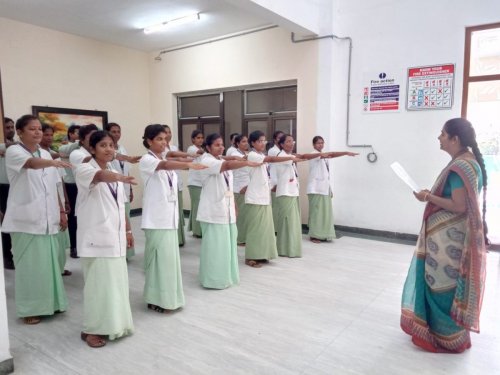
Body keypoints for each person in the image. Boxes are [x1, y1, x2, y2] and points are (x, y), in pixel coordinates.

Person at [401, 118, 488, 353]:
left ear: (454, 139)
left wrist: (428, 197)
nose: (439, 137)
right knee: (445, 281)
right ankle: (451, 334)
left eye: (442, 134)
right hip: (452, 234)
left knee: (442, 283)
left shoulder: (461, 167)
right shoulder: (466, 162)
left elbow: (458, 205)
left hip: (449, 237)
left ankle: (444, 335)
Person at [2, 114, 71, 324]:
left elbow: (55, 186)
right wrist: (54, 162)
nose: (38, 132)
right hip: (26, 220)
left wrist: (60, 210)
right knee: (30, 268)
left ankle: (53, 303)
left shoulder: (45, 153)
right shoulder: (14, 151)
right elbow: (31, 164)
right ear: (20, 132)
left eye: (39, 128)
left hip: (48, 218)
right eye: (32, 129)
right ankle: (30, 309)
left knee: (49, 265)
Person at [75, 130, 136, 348]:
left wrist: (128, 231)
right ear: (92, 149)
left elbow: (120, 206)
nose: (109, 149)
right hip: (96, 238)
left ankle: (116, 325)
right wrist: (120, 177)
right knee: (98, 287)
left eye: (111, 145)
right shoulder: (84, 169)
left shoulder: (112, 168)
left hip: (115, 236)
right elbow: (99, 177)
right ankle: (91, 329)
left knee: (115, 285)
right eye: (103, 145)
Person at [139, 125, 206, 313]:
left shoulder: (163, 158)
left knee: (169, 261)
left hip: (168, 217)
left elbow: (169, 163)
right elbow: (165, 165)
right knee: (159, 260)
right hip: (156, 219)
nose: (163, 142)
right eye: (159, 139)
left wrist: (187, 160)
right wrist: (188, 164)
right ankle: (156, 298)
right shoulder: (147, 159)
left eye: (165, 139)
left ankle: (169, 298)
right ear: (149, 141)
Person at [197, 133, 260, 289]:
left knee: (228, 246)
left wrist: (234, 206)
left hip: (227, 210)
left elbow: (228, 187)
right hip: (213, 212)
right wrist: (246, 162)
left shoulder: (219, 159)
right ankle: (212, 279)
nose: (221, 147)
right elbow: (226, 166)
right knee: (215, 248)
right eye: (217, 145)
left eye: (222, 144)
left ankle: (226, 276)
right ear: (208, 147)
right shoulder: (206, 161)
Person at [244, 130, 298, 268]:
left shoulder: (261, 155)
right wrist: (290, 158)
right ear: (252, 143)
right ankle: (251, 256)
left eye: (264, 140)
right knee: (255, 229)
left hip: (264, 197)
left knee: (265, 229)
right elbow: (271, 159)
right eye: (259, 141)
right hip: (255, 198)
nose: (263, 143)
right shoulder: (252, 155)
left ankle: (262, 254)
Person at [307, 136, 358, 243]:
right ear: (314, 145)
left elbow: (326, 173)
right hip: (315, 189)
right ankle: (314, 235)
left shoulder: (323, 155)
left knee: (325, 214)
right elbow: (332, 154)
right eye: (318, 143)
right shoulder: (314, 154)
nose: (320, 145)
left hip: (324, 188)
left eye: (322, 143)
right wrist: (345, 152)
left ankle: (324, 234)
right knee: (316, 213)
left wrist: (330, 189)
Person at [106, 122, 141, 260]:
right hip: (113, 190)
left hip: (124, 189)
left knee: (126, 221)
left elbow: (126, 169)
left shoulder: (123, 148)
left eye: (118, 131)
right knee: (116, 222)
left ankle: (127, 251)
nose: (116, 134)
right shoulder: (107, 152)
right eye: (113, 131)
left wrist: (130, 189)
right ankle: (118, 251)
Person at [40, 124, 72, 276]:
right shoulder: (38, 157)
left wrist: (65, 200)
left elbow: (60, 180)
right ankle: (52, 270)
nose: (48, 137)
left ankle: (59, 268)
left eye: (50, 135)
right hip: (47, 202)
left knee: (61, 238)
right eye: (45, 134)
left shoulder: (54, 154)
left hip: (58, 198)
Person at [68, 124, 99, 258]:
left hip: (100, 196)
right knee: (84, 229)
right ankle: (77, 248)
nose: (94, 139)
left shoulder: (100, 154)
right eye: (91, 136)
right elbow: (88, 161)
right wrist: (108, 152)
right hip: (84, 194)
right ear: (81, 140)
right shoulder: (77, 153)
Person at [59, 124, 81, 260]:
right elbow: (69, 149)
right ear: (70, 134)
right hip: (71, 185)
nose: (80, 136)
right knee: (73, 218)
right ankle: (74, 247)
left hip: (82, 185)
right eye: (78, 133)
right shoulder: (64, 147)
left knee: (84, 217)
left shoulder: (84, 149)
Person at [226, 134, 250, 245]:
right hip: (238, 188)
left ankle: (243, 237)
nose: (246, 143)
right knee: (240, 216)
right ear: (237, 143)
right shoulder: (235, 154)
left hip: (247, 187)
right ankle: (239, 238)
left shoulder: (247, 154)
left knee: (246, 216)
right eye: (243, 141)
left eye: (247, 141)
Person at [0, 117, 16, 269]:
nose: (11, 130)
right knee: (4, 224)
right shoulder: (7, 147)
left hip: (14, 187)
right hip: (2, 188)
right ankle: (6, 256)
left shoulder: (14, 148)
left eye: (12, 127)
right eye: (7, 127)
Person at [187, 130, 205, 238]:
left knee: (199, 207)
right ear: (193, 139)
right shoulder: (192, 148)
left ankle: (197, 228)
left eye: (202, 138)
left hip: (201, 182)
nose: (200, 140)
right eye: (198, 138)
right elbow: (200, 153)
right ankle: (197, 231)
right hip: (194, 183)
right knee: (197, 207)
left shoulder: (201, 149)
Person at [268, 130, 284, 229]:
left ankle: (278, 228)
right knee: (276, 206)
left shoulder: (281, 151)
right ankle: (275, 228)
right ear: (275, 140)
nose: (281, 139)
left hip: (281, 182)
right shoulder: (273, 151)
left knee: (279, 206)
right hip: (275, 182)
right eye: (279, 137)